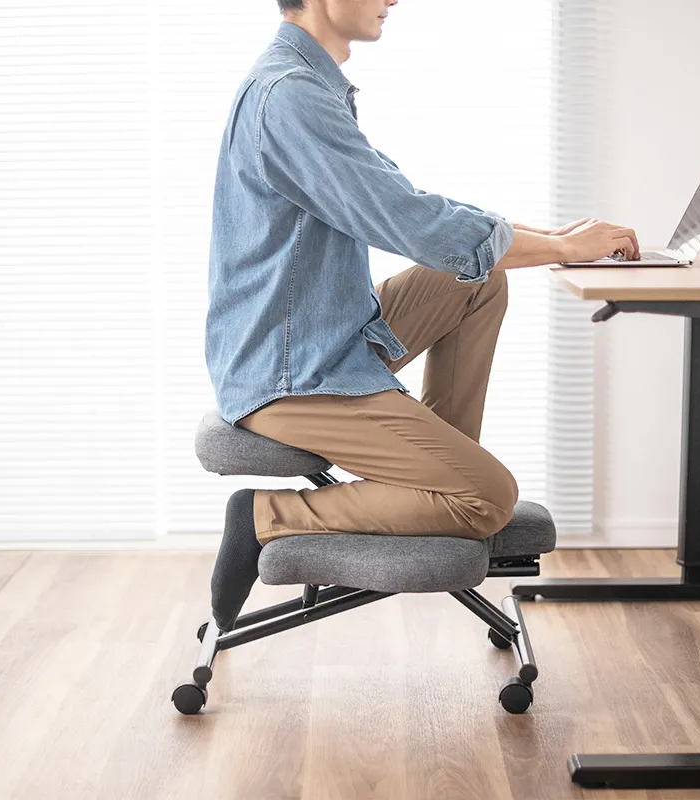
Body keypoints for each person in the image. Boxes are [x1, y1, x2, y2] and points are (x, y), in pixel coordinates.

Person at [205, 0, 639, 631]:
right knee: (490, 497)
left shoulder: (308, 82)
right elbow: (407, 221)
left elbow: (411, 203)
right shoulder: (290, 96)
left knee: (477, 281)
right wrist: (565, 250)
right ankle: (270, 515)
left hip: (324, 330)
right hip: (291, 366)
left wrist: (557, 236)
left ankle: (430, 484)